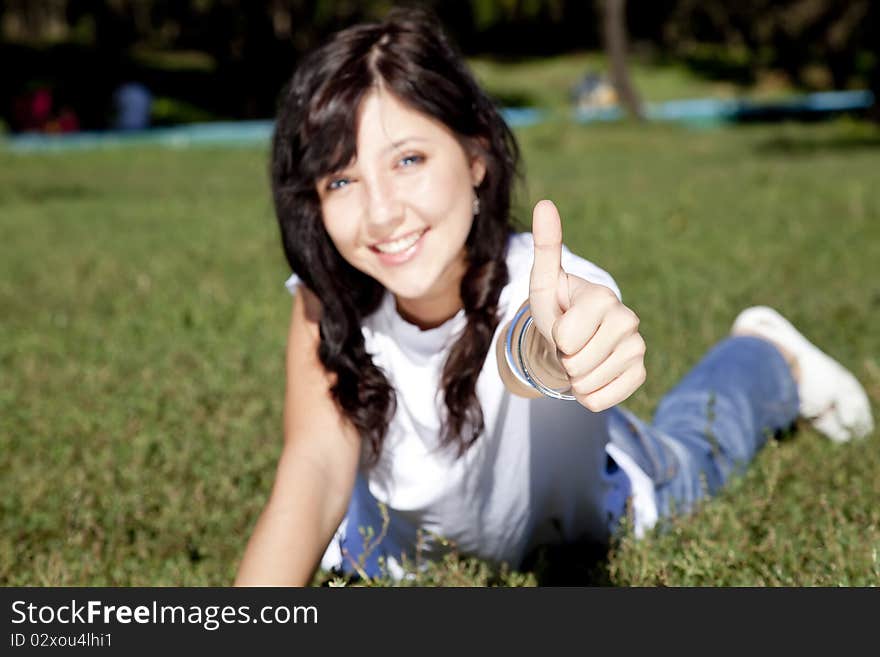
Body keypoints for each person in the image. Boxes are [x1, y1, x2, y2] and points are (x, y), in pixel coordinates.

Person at [234, 9, 874, 586]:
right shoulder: (329, 295)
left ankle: (764, 352)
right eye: (342, 179)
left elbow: (526, 352)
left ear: (476, 155)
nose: (380, 213)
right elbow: (316, 467)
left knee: (698, 450)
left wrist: (561, 350)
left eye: (407, 161)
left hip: (600, 503)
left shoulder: (539, 283)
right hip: (402, 550)